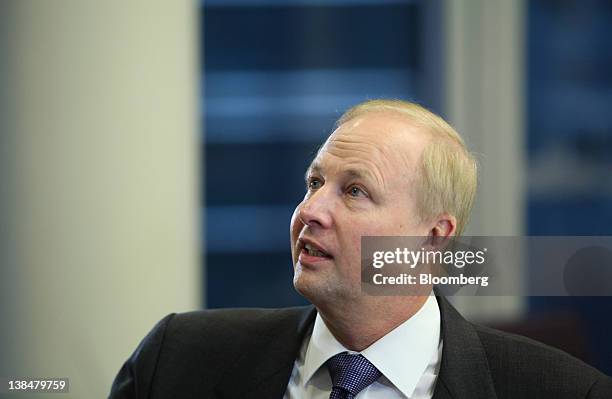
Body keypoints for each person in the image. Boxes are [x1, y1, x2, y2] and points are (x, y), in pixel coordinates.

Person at [109, 100, 612, 398]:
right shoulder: (176, 361)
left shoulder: (565, 391)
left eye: (354, 191)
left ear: (433, 238)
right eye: (313, 182)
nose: (310, 211)